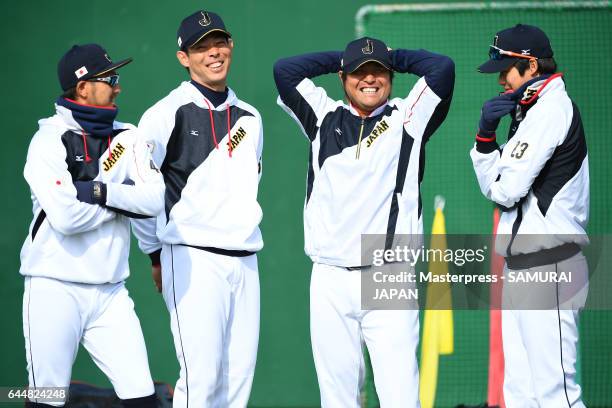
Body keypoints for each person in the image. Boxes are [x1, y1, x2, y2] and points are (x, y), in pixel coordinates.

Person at [274, 37, 455, 407]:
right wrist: (342, 59)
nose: (370, 79)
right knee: (337, 399)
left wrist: (392, 57)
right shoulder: (323, 116)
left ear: (391, 75)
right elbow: (285, 71)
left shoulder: (408, 117)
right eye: (360, 72)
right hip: (330, 274)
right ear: (343, 77)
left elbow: (443, 69)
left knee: (400, 397)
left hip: (388, 274)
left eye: (379, 71)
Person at [20, 43, 164, 407]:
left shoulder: (127, 136)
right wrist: (122, 201)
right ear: (82, 86)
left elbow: (152, 201)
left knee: (143, 398)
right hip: (54, 287)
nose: (118, 86)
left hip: (110, 292)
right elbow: (67, 219)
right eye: (110, 78)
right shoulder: (47, 141)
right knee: (45, 397)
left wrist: (98, 192)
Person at [132, 10, 263, 407]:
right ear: (183, 58)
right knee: (201, 381)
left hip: (244, 261)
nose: (213, 53)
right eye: (201, 47)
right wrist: (154, 253)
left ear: (231, 46)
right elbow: (141, 190)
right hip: (191, 257)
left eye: (219, 43)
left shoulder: (252, 118)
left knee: (237, 384)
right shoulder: (164, 113)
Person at [471, 24, 589, 407]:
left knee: (558, 397)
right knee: (520, 395)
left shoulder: (551, 108)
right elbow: (495, 187)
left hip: (550, 267)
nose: (501, 79)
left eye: (507, 69)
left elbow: (504, 191)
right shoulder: (529, 111)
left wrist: (489, 143)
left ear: (532, 66)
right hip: (522, 268)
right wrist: (486, 140)